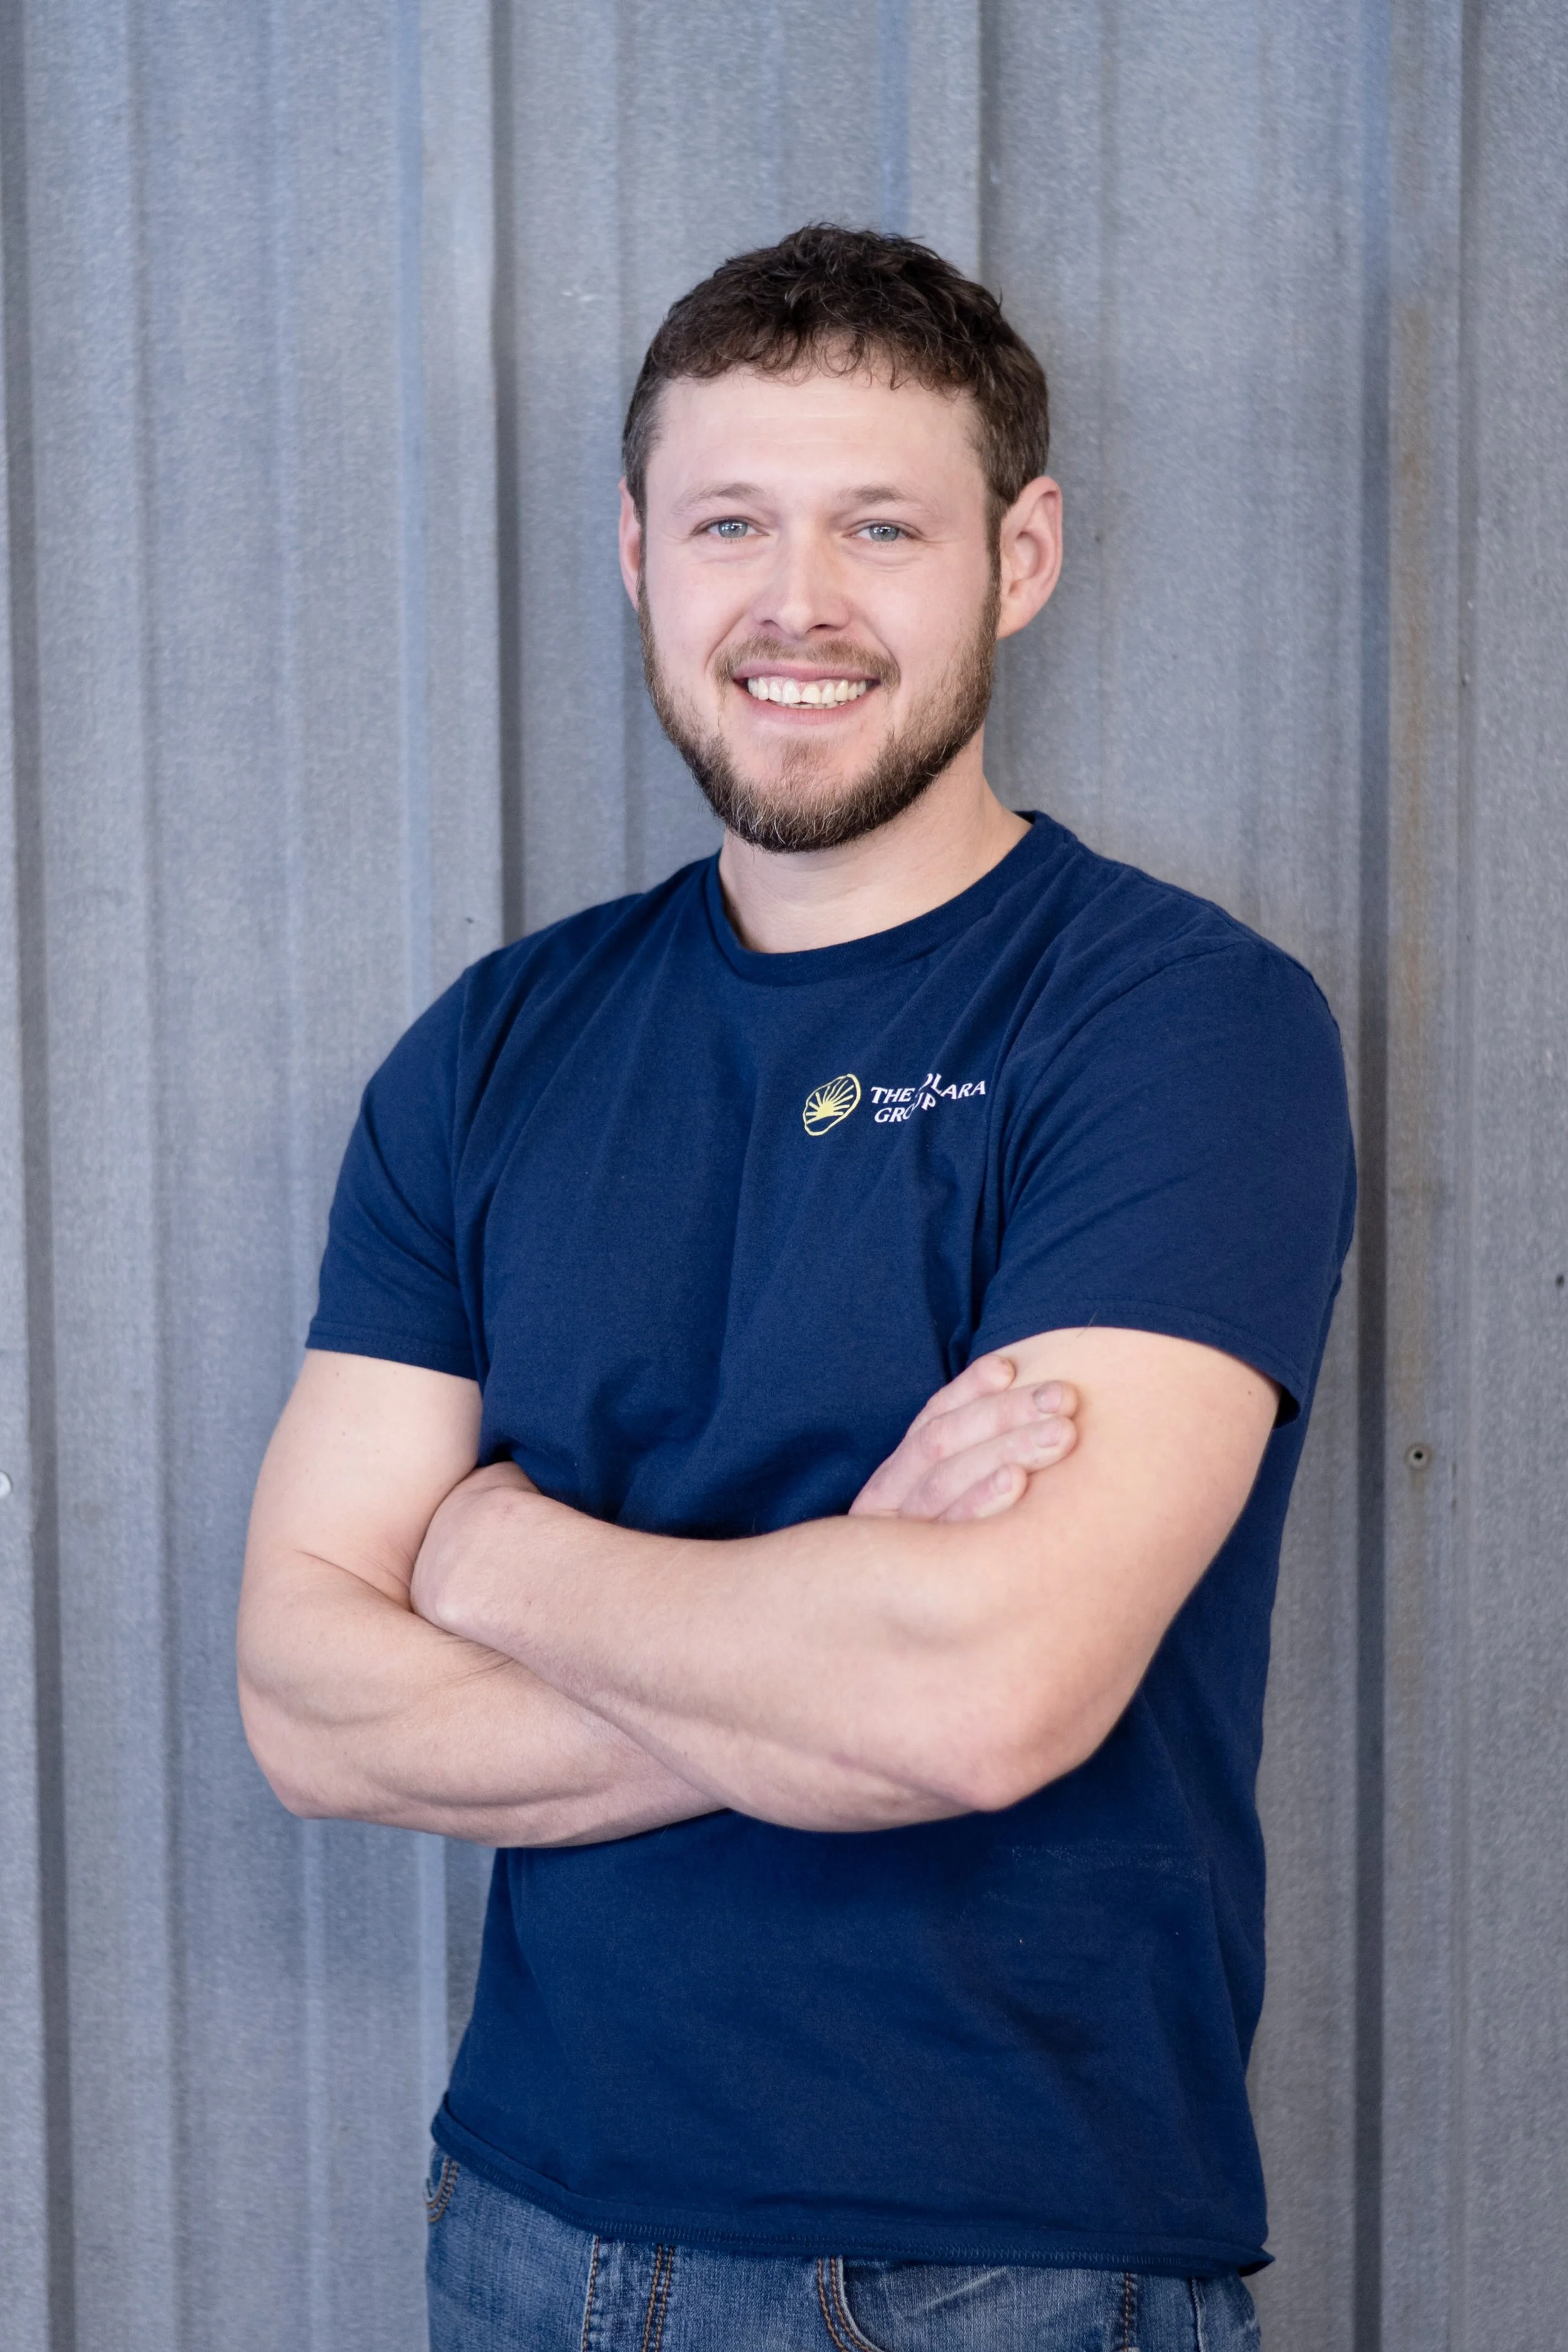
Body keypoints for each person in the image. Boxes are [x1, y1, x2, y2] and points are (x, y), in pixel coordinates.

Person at [239, 225, 1354, 2352]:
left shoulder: (1176, 1027)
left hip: (997, 2265)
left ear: (1019, 556)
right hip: (520, 2229)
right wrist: (837, 1599)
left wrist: (483, 1548)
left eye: (881, 526)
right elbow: (303, 1701)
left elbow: (976, 1697)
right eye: (732, 521)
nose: (798, 604)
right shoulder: (491, 1050)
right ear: (639, 554)